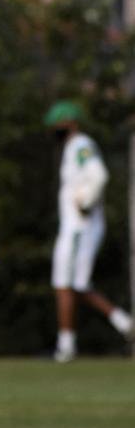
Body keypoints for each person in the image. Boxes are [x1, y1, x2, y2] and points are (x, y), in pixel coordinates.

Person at [45, 100, 133, 362]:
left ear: (71, 123)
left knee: (64, 283)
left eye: (58, 125)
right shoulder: (75, 147)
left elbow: (99, 175)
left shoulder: (80, 145)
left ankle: (66, 346)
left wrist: (85, 202)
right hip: (77, 228)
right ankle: (124, 323)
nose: (54, 130)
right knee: (77, 285)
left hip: (79, 228)